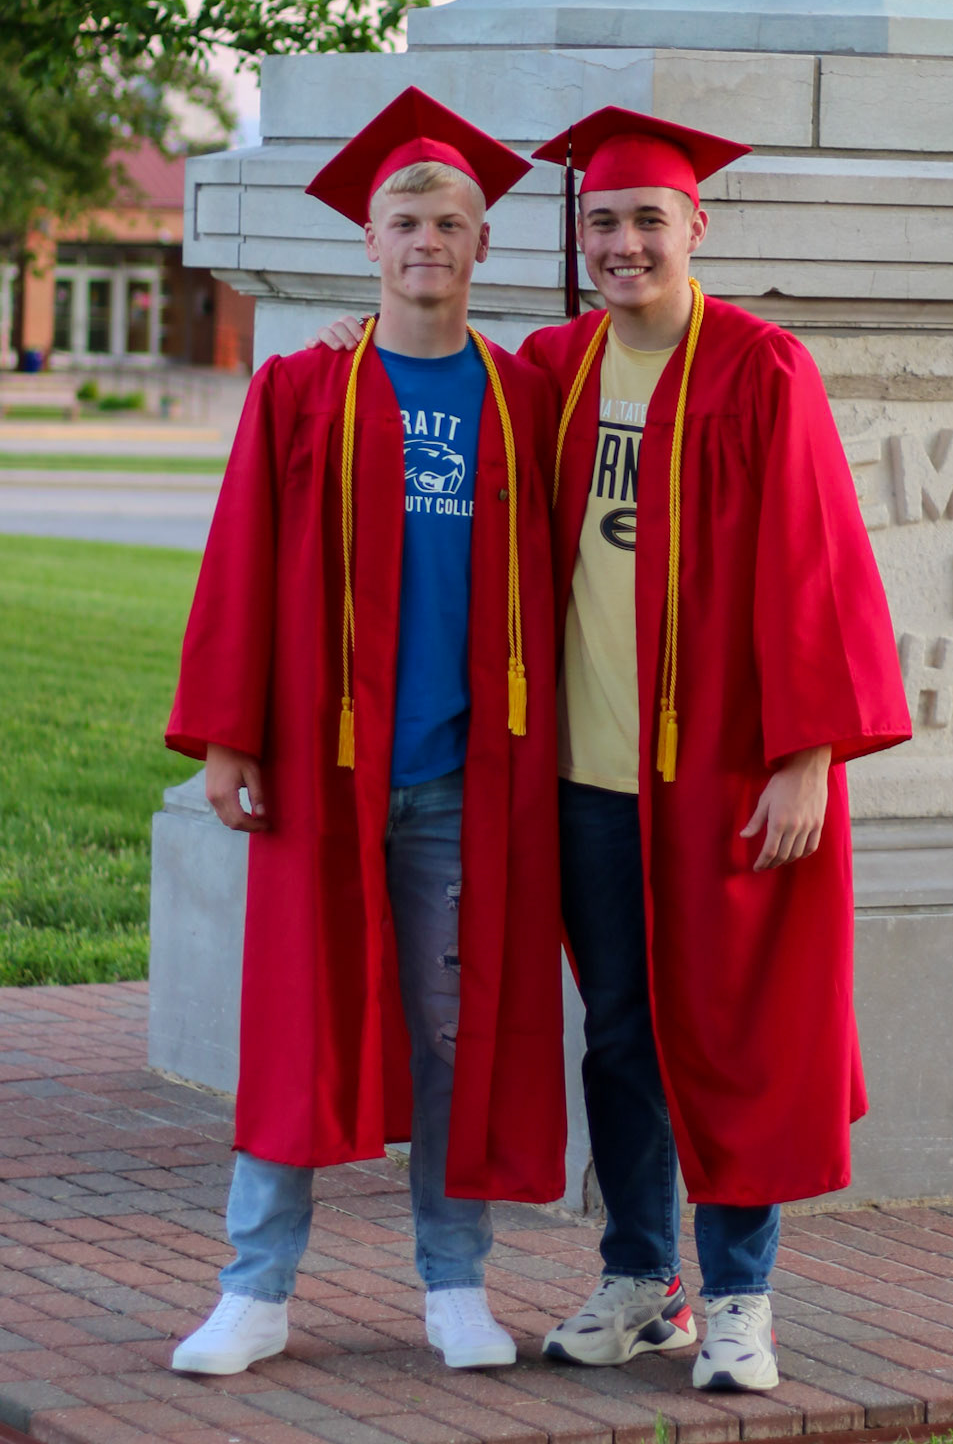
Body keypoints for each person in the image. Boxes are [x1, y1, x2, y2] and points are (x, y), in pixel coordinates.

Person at [316, 104, 912, 1394]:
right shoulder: (554, 367)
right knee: (622, 1036)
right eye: (604, 222)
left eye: (650, 219)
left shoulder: (761, 367)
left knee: (738, 1030)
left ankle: (742, 1294)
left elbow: (816, 571)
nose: (627, 243)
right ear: (578, 239)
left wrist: (811, 756)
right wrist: (352, 358)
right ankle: (646, 1280)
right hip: (586, 777)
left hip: (730, 777)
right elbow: (438, 400)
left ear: (697, 226)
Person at [165, 88, 564, 1379]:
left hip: (462, 778)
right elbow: (238, 570)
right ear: (370, 240)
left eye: (451, 221)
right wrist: (230, 741)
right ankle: (256, 1289)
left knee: (454, 1030)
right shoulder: (302, 390)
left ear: (482, 246)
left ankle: (454, 1283)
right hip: (324, 772)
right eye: (406, 220)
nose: (426, 241)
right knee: (293, 1015)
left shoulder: (522, 402)